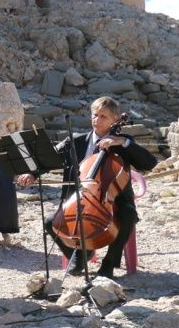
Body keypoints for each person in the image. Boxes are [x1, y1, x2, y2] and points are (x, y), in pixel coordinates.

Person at [17, 96, 157, 278]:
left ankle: (108, 264)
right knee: (51, 222)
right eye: (95, 115)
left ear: (115, 120)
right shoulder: (77, 140)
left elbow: (150, 163)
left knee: (128, 215)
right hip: (79, 198)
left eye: (103, 117)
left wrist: (123, 142)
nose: (96, 120)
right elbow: (49, 158)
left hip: (114, 199)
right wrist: (32, 173)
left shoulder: (123, 142)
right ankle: (81, 255)